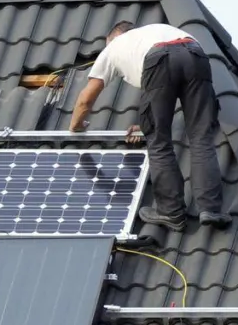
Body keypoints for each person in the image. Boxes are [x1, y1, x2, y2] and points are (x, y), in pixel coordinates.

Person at [70, 21, 228, 230]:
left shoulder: (113, 47)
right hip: (196, 53)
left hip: (159, 59)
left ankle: (171, 212)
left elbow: (86, 99)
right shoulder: (155, 30)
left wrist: (76, 125)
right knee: (201, 136)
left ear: (114, 38)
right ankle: (210, 210)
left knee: (158, 142)